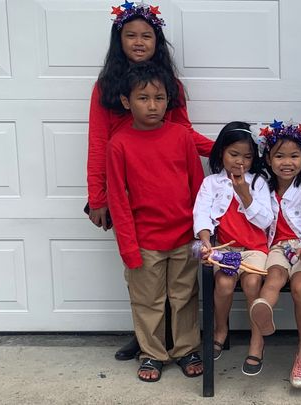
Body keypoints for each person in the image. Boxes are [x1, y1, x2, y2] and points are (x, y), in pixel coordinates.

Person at [87, 2, 213, 361]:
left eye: (147, 35)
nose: (139, 42)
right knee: (144, 275)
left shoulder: (170, 86)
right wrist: (98, 197)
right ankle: (147, 343)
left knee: (179, 283)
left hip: (166, 188)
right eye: (131, 35)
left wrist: (225, 150)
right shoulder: (106, 87)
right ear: (119, 40)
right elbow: (98, 142)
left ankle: (179, 342)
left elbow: (184, 132)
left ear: (157, 41)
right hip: (126, 181)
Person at [106, 62, 205, 382]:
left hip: (184, 237)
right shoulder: (119, 143)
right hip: (144, 241)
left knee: (184, 297)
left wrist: (202, 233)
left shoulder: (181, 136)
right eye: (143, 98)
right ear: (126, 101)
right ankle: (152, 354)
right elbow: (118, 201)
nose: (152, 105)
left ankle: (187, 349)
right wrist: (128, 247)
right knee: (147, 301)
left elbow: (198, 187)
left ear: (168, 100)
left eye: (159, 98)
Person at [192, 121, 274, 376]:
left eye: (247, 157)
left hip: (254, 249)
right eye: (234, 154)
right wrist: (205, 240)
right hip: (227, 249)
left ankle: (257, 341)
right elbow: (202, 213)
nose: (240, 162)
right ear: (221, 153)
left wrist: (245, 194)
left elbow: (266, 221)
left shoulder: (258, 182)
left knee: (251, 283)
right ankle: (221, 329)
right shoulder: (211, 183)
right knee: (224, 284)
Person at [248, 120, 301, 388]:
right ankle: (263, 310)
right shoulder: (263, 189)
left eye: (294, 156)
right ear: (268, 159)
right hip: (278, 248)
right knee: (275, 277)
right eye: (279, 156)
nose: (287, 162)